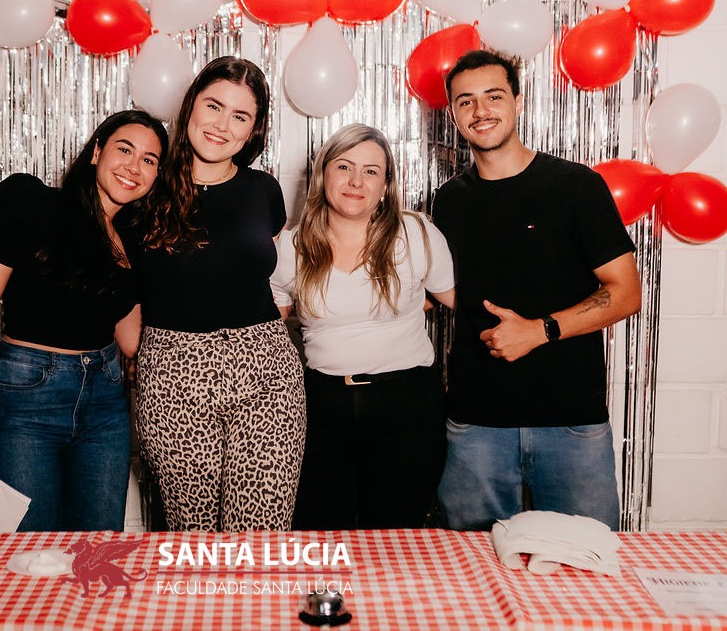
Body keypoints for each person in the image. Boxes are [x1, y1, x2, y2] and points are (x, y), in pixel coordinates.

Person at [431, 50, 641, 530]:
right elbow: (447, 291)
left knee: (582, 563)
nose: (480, 111)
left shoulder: (576, 186)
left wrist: (539, 330)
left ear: (519, 102)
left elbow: (626, 292)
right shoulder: (449, 200)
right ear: (454, 115)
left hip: (570, 422)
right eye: (466, 101)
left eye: (494, 96)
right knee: (472, 565)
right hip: (476, 424)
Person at [0, 110, 169, 532]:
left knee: (97, 551)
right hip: (27, 400)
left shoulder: (132, 240)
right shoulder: (32, 202)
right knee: (27, 553)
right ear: (96, 152)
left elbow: (131, 339)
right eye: (124, 149)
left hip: (105, 402)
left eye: (149, 160)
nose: (134, 167)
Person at [121, 56, 306, 532]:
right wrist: (142, 353)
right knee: (192, 536)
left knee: (260, 536)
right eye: (214, 106)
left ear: (252, 130)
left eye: (240, 116)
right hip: (172, 376)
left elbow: (262, 275)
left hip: (266, 372)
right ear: (191, 106)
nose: (222, 125)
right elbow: (120, 289)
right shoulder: (144, 187)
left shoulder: (263, 191)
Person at [270, 123, 455, 529]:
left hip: (407, 404)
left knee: (395, 537)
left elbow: (465, 304)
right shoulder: (291, 247)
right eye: (344, 166)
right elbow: (264, 328)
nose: (356, 181)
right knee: (319, 534)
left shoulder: (416, 233)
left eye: (371, 171)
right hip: (321, 406)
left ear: (386, 185)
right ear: (322, 174)